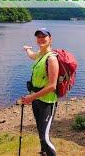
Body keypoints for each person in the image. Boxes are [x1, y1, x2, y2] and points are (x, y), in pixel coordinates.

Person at [21, 28, 59, 156]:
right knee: (40, 130)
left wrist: (31, 97)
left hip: (48, 101)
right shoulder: (40, 55)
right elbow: (32, 55)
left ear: (50, 39)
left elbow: (52, 86)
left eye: (44, 37)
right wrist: (27, 49)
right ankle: (43, 152)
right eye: (38, 37)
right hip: (37, 100)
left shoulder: (52, 59)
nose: (41, 39)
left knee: (45, 136)